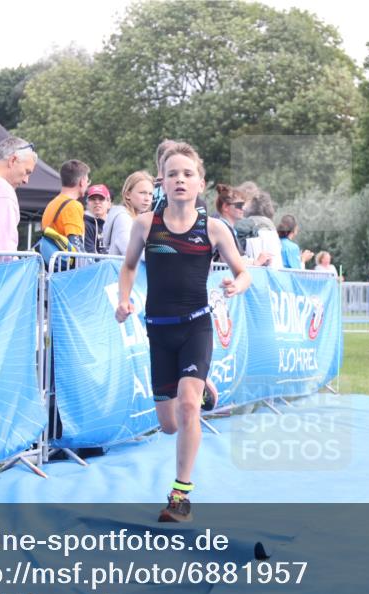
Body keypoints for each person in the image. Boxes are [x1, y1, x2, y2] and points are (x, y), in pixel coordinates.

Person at [115, 142, 250, 523]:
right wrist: (124, 301)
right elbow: (127, 267)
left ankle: (180, 496)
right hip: (158, 331)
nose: (180, 180)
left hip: (196, 326)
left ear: (200, 183)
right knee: (169, 424)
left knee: (188, 406)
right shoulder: (145, 225)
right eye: (172, 173)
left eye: (188, 174)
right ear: (161, 181)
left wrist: (237, 285)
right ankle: (201, 383)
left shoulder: (214, 228)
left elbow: (244, 272)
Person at [42, 160, 90, 252]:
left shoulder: (52, 204)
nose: (87, 185)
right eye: (88, 181)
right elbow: (77, 247)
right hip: (68, 264)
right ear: (82, 182)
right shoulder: (73, 206)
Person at [103, 171, 153, 256]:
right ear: (127, 195)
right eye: (142, 193)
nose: (147, 198)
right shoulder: (123, 218)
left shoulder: (138, 218)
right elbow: (130, 250)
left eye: (150, 194)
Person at [83, 183, 111, 253]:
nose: (97, 202)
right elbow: (90, 257)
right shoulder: (85, 225)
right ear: (87, 203)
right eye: (93, 199)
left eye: (101, 199)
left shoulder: (116, 224)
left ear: (109, 203)